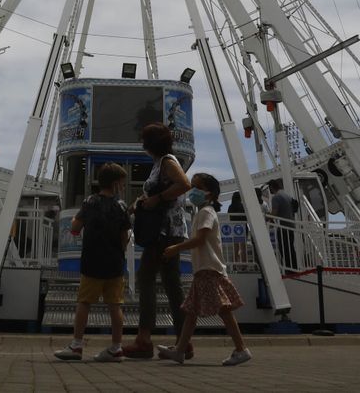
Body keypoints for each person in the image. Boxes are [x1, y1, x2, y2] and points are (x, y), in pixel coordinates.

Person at [158, 173, 251, 366]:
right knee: (191, 312)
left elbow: (200, 240)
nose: (192, 191)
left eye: (197, 187)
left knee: (223, 310)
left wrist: (176, 248)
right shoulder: (203, 212)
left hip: (209, 268)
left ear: (209, 193)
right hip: (204, 269)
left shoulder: (206, 213)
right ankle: (180, 350)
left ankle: (241, 349)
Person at [121, 120, 191, 359]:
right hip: (170, 232)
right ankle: (184, 342)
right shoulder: (160, 164)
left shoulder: (168, 162)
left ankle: (144, 339)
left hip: (163, 232)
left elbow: (184, 184)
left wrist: (157, 199)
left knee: (146, 279)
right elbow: (152, 193)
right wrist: (136, 206)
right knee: (172, 284)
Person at [53, 162, 130, 362]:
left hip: (92, 262)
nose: (123, 187)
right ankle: (116, 347)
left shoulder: (90, 202)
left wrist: (75, 222)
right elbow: (124, 237)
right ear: (115, 184)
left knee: (84, 302)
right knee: (115, 305)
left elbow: (75, 228)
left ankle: (77, 345)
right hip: (115, 264)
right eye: (122, 184)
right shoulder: (122, 206)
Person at [267, 179, 299, 271]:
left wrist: (266, 217)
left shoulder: (276, 197)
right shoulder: (286, 195)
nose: (269, 190)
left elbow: (274, 213)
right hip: (291, 225)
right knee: (290, 248)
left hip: (283, 227)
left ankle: (289, 270)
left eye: (269, 188)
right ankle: (294, 269)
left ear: (272, 187)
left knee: (284, 249)